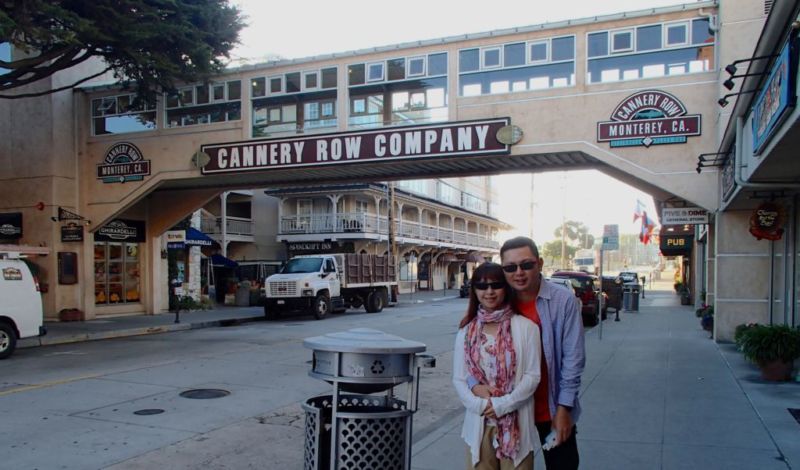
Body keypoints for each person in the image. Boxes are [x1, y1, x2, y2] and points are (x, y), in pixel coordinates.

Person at [498, 236, 585, 470]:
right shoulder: (499, 301)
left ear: (540, 263)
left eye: (526, 265)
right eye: (510, 267)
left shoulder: (562, 300)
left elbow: (573, 359)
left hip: (552, 408)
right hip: (512, 410)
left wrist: (564, 408)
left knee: (563, 466)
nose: (519, 273)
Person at [453, 262, 541, 470]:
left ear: (506, 288)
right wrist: (480, 406)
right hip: (479, 424)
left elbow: (532, 376)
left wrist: (503, 405)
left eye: (496, 285)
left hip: (516, 426)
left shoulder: (527, 328)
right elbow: (459, 378)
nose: (489, 292)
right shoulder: (466, 331)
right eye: (482, 286)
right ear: (474, 290)